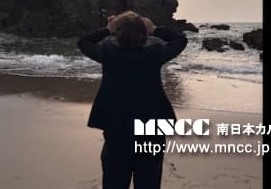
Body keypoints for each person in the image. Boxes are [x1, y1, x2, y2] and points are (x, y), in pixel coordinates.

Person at [77, 11, 188, 189]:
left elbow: (84, 41)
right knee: (149, 182)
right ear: (144, 36)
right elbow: (180, 40)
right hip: (151, 132)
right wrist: (155, 29)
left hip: (117, 131)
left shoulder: (109, 54)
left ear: (118, 36)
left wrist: (108, 29)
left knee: (114, 181)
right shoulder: (154, 55)